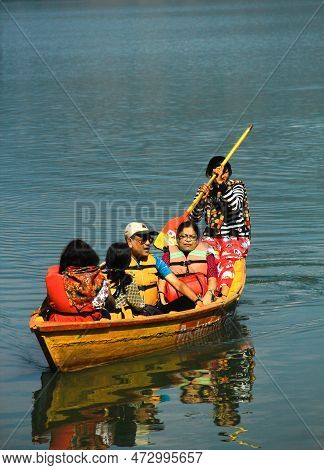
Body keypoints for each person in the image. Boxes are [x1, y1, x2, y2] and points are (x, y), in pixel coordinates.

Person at [190, 156, 251, 299]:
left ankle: (223, 294)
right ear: (209, 175)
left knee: (226, 258)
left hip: (235, 237)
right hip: (212, 236)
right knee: (208, 257)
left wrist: (221, 186)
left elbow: (235, 206)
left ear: (228, 173)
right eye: (216, 173)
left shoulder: (237, 186)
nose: (220, 176)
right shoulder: (205, 190)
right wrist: (201, 199)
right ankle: (204, 291)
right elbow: (195, 218)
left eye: (223, 172)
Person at [124, 222, 204, 311]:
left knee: (188, 301)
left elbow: (177, 283)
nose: (147, 243)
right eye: (142, 239)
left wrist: (197, 300)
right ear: (129, 241)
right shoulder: (118, 262)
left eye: (149, 239)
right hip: (132, 312)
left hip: (154, 310)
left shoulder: (156, 261)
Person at [44, 239, 105, 322]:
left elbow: (48, 303)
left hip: (59, 321)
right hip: (90, 320)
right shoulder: (99, 280)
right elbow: (109, 304)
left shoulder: (55, 279)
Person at [159, 221, 217, 306]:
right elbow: (162, 278)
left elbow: (212, 275)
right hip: (175, 301)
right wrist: (161, 298)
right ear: (177, 239)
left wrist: (210, 293)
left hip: (203, 297)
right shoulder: (168, 254)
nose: (188, 240)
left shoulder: (207, 253)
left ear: (197, 240)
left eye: (192, 237)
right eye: (183, 236)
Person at [92, 242, 145, 318]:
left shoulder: (98, 277)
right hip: (118, 318)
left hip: (101, 316)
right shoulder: (128, 280)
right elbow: (138, 306)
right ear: (127, 261)